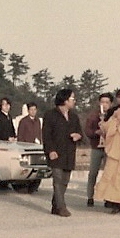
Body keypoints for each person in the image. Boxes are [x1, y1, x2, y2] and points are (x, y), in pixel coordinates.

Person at [41, 89, 82, 217]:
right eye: (72, 99)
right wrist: (50, 150)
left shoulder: (74, 116)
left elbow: (80, 132)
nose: (74, 101)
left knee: (65, 180)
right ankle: (61, 206)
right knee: (57, 180)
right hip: (56, 152)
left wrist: (78, 136)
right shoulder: (50, 115)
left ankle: (55, 206)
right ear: (65, 100)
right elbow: (46, 135)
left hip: (69, 152)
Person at [84, 92, 113, 206]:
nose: (104, 105)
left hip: (110, 148)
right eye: (102, 102)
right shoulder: (93, 116)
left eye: (107, 102)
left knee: (108, 173)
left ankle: (108, 198)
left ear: (111, 103)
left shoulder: (113, 115)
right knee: (93, 173)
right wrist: (96, 132)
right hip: (96, 147)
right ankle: (90, 196)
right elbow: (87, 131)